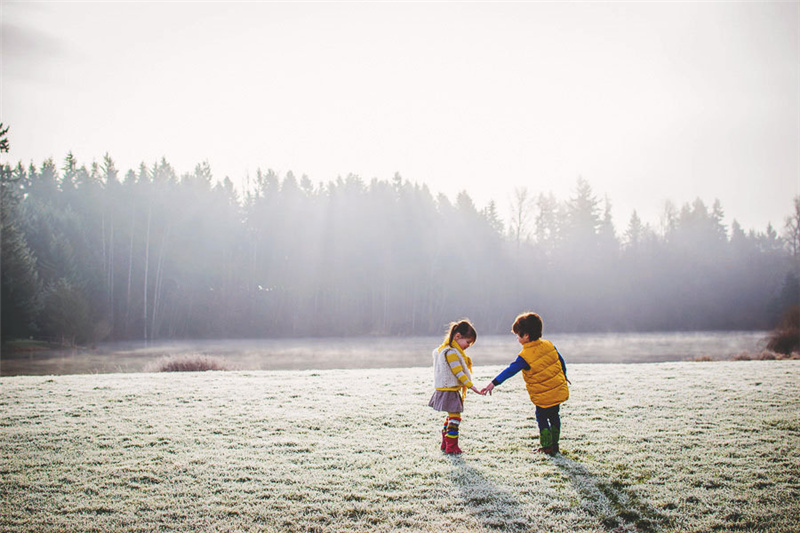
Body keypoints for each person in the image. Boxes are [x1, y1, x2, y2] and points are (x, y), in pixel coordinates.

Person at [481, 312, 570, 455]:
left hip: (542, 395)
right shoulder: (549, 345)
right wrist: (564, 376)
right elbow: (561, 362)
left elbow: (510, 371)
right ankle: (555, 445)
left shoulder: (525, 356)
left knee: (541, 417)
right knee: (554, 416)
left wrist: (493, 383)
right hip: (556, 390)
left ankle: (547, 447)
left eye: (518, 335)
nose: (517, 338)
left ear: (526, 335)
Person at [428, 319, 484, 454]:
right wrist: (471, 386)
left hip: (446, 389)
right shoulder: (451, 353)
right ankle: (451, 446)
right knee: (455, 417)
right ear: (458, 336)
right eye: (468, 342)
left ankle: (445, 443)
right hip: (449, 390)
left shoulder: (444, 349)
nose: (468, 346)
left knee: (451, 416)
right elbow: (458, 372)